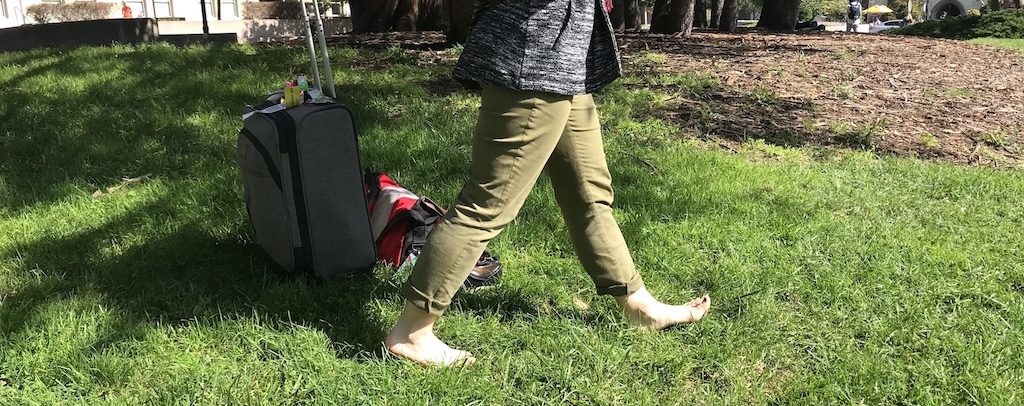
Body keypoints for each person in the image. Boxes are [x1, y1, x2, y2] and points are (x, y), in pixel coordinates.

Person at [384, 0, 712, 367]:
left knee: (589, 193)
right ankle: (412, 332)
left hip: (562, 59)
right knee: (487, 203)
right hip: (532, 55)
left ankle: (640, 308)